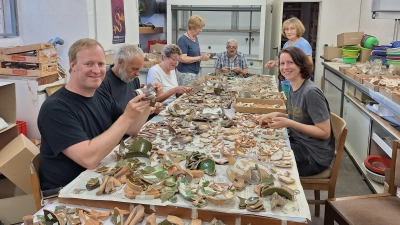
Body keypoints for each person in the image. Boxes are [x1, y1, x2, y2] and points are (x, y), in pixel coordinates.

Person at [38, 38, 151, 194]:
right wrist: (127, 117)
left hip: (100, 178)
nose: (97, 70)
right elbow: (89, 159)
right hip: (68, 191)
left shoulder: (100, 95)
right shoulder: (56, 109)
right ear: (73, 65)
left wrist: (147, 102)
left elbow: (132, 129)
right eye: (88, 64)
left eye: (100, 64)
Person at [258, 46, 334, 176]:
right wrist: (278, 114)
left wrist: (289, 123)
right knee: (262, 146)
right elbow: (301, 116)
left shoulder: (310, 93)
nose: (285, 67)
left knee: (265, 162)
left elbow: (325, 132)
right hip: (299, 141)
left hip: (314, 155)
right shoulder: (294, 86)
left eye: (290, 62)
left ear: (301, 65)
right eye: (282, 63)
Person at [99, 44, 163, 115]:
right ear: (120, 62)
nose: (138, 74)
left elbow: (140, 101)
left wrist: (154, 104)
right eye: (134, 69)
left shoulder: (133, 79)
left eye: (139, 69)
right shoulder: (103, 84)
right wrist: (145, 111)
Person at [176, 14, 209, 86]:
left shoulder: (195, 38)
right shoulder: (183, 40)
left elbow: (193, 53)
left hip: (195, 72)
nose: (201, 30)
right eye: (199, 28)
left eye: (201, 28)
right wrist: (200, 58)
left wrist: (202, 55)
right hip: (186, 74)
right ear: (192, 27)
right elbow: (183, 59)